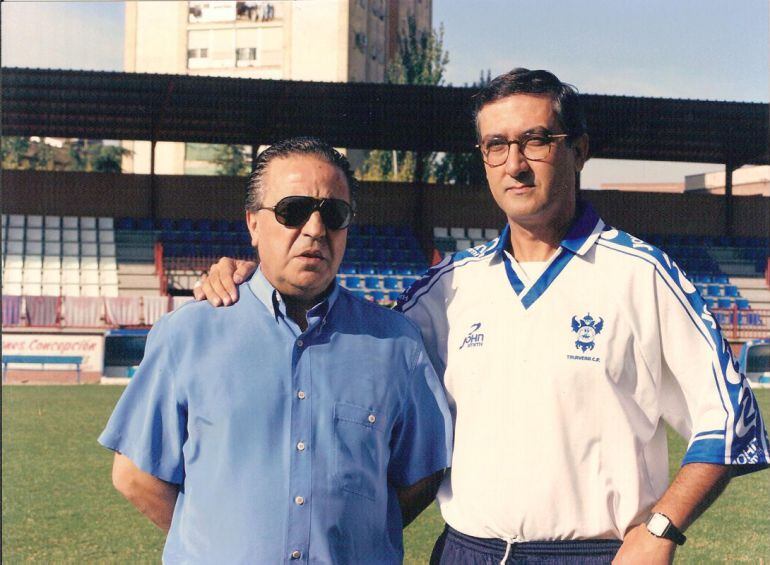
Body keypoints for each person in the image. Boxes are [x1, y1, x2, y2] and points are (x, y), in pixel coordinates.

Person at [195, 70, 769, 564]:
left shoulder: (642, 275)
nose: (514, 163)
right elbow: (344, 338)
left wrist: (662, 528)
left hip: (597, 551)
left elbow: (730, 417)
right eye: (496, 145)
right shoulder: (448, 288)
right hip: (465, 550)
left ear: (579, 149)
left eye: (536, 140)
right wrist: (254, 283)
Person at [99, 137, 453, 563]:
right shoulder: (187, 335)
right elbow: (136, 477)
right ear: (253, 223)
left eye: (334, 214)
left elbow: (422, 473)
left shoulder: (396, 343)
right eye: (293, 210)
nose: (315, 229)